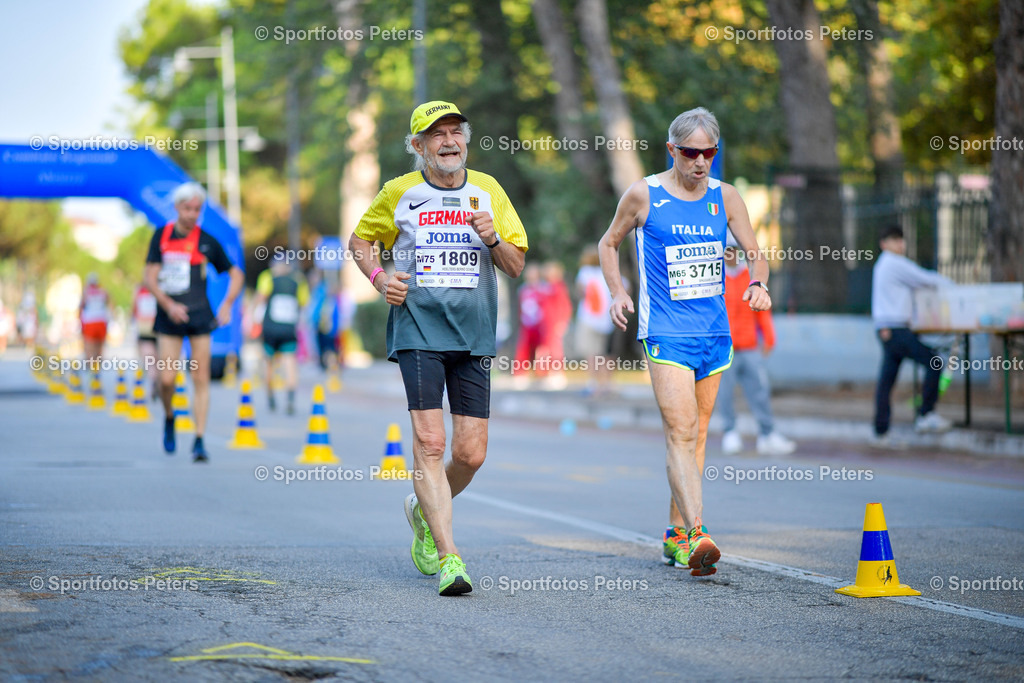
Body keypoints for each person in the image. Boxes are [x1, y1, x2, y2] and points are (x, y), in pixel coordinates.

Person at [348, 101, 528, 596]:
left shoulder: (487, 191)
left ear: (466, 140)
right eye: (436, 135)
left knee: (470, 453)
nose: (449, 142)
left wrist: (492, 239)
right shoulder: (399, 193)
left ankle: (422, 509)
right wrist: (380, 277)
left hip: (473, 333)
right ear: (417, 146)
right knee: (430, 442)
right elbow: (360, 242)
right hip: (418, 328)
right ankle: (450, 558)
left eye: (456, 133)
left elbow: (515, 265)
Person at [599, 107, 771, 577]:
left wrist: (758, 283)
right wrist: (618, 291)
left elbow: (756, 255)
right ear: (673, 150)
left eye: (709, 153)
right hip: (665, 332)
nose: (701, 162)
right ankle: (697, 532)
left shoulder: (727, 197)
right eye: (692, 152)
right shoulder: (644, 195)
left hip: (714, 333)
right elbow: (608, 243)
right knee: (680, 429)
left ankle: (675, 535)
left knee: (696, 437)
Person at [143, 182, 244, 462]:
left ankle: (199, 439)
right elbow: (149, 277)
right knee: (167, 379)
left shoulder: (207, 240)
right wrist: (168, 304)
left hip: (200, 316)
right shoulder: (161, 236)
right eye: (187, 208)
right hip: (169, 316)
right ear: (177, 207)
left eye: (197, 209)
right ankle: (169, 416)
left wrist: (227, 305)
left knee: (200, 377)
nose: (192, 214)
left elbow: (236, 274)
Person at [872, 225, 952, 442]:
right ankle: (926, 414)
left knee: (886, 381)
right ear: (884, 244)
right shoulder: (893, 263)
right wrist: (955, 287)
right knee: (935, 361)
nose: (900, 244)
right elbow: (925, 279)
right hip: (896, 329)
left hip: (887, 330)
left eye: (901, 239)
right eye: (895, 240)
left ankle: (881, 430)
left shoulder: (883, 265)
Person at [717, 234, 795, 456]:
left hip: (750, 346)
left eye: (733, 249)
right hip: (725, 348)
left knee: (759, 390)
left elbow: (762, 310)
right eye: (726, 250)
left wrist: (769, 338)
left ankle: (767, 434)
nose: (730, 254)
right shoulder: (716, 277)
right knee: (725, 392)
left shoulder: (750, 276)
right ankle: (730, 432)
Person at [254, 254, 310, 415]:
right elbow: (303, 303)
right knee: (290, 362)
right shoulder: (298, 281)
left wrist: (252, 318)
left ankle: (270, 396)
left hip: (270, 328)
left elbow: (260, 298)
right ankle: (290, 398)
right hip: (289, 328)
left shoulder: (267, 278)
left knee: (268, 363)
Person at [574, 245, 615, 395]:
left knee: (591, 353)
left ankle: (592, 384)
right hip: (606, 320)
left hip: (588, 319)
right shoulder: (608, 273)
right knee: (604, 354)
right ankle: (606, 384)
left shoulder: (585, 273)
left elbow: (581, 292)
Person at [539, 260, 571, 388]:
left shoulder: (559, 287)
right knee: (545, 350)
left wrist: (563, 321)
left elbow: (565, 306)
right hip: (545, 324)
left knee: (555, 349)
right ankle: (546, 374)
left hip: (555, 323)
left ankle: (558, 373)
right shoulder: (546, 287)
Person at [514, 263, 547, 385]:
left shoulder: (543, 288)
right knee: (524, 349)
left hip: (540, 324)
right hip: (527, 324)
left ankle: (542, 373)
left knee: (542, 350)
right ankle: (521, 373)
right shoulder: (523, 289)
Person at [133, 282, 159, 399]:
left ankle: (154, 380)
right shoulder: (161, 287)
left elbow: (133, 308)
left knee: (150, 360)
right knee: (159, 360)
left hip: (145, 328)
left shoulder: (139, 290)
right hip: (159, 328)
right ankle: (157, 381)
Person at [79, 273, 110, 361]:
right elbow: (110, 304)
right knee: (99, 348)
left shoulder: (86, 292)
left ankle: (92, 369)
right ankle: (97, 369)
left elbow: (81, 307)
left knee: (89, 348)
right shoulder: (103, 291)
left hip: (89, 322)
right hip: (101, 321)